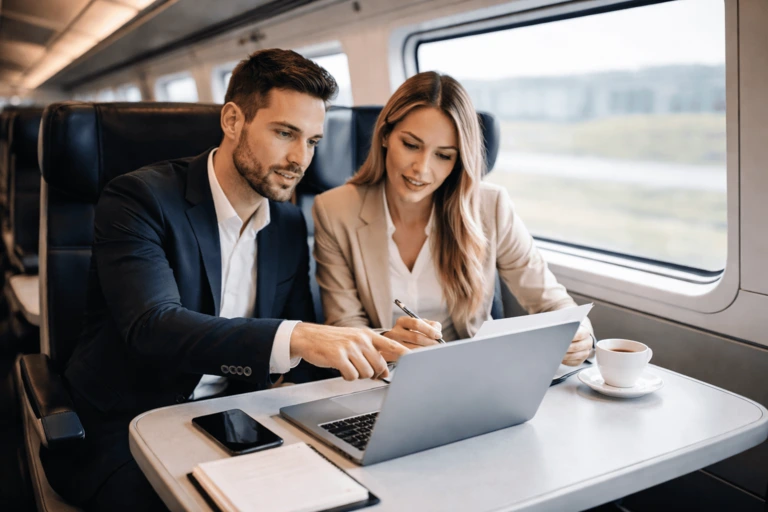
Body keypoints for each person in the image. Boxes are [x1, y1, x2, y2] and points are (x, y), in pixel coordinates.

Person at [41, 49, 408, 512]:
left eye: (313, 141)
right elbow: (153, 326)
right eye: (284, 133)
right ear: (233, 120)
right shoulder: (138, 198)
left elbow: (299, 350)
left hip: (237, 418)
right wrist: (299, 336)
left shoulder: (290, 224)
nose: (300, 159)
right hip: (127, 422)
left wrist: (375, 344)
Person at [312, 71, 593, 361]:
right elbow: (344, 326)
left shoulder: (491, 206)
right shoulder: (334, 210)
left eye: (443, 155)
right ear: (385, 136)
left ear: (458, 160)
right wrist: (388, 342)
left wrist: (579, 332)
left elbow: (552, 302)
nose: (421, 168)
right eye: (411, 145)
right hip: (382, 374)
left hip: (473, 371)